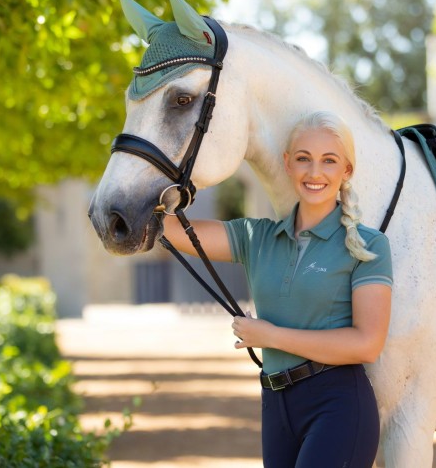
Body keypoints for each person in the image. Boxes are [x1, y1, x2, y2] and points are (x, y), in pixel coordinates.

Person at [162, 111, 393, 467]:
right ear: (287, 164)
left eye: (329, 161)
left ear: (346, 170)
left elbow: (367, 343)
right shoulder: (258, 238)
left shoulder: (368, 245)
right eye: (304, 159)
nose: (315, 173)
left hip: (338, 407)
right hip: (276, 404)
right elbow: (170, 229)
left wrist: (270, 336)